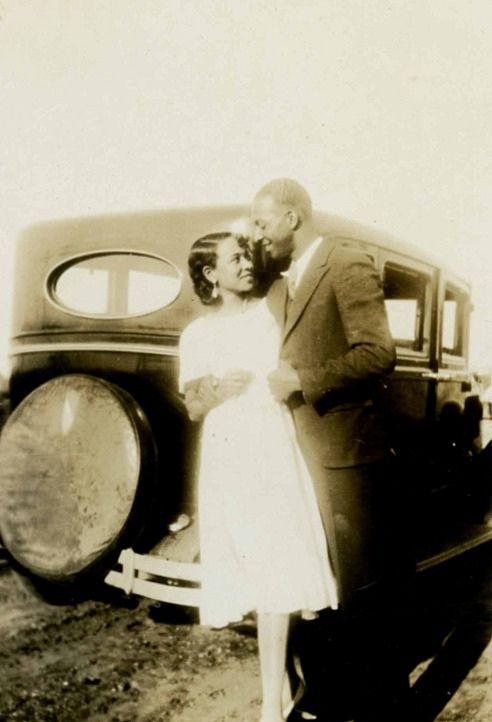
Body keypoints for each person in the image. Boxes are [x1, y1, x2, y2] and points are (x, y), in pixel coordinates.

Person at [251, 179, 410, 722]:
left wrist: (305, 380)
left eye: (263, 222)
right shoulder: (281, 284)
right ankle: (330, 701)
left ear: (293, 217)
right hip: (297, 459)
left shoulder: (344, 262)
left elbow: (378, 353)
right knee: (316, 591)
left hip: (346, 458)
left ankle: (384, 709)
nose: (258, 233)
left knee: (363, 594)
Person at [178, 230, 338, 722]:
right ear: (211, 274)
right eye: (234, 259)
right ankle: (284, 687)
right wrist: (218, 391)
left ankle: (272, 705)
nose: (246, 264)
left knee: (278, 568)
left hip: (272, 447)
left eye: (247, 255)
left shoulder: (272, 316)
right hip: (229, 455)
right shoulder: (197, 335)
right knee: (253, 572)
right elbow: (193, 408)